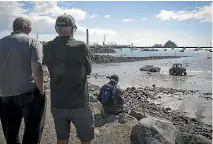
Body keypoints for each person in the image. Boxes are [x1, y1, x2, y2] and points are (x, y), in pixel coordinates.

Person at [43, 14, 94, 144]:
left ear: (56, 29)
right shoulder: (81, 46)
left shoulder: (47, 46)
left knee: (61, 139)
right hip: (79, 103)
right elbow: (88, 71)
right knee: (86, 138)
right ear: (73, 29)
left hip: (57, 103)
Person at [0, 17, 46, 144]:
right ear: (27, 27)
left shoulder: (1, 42)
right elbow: (37, 68)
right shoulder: (33, 41)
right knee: (32, 128)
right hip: (28, 92)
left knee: (11, 132)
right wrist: (41, 90)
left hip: (4, 94)